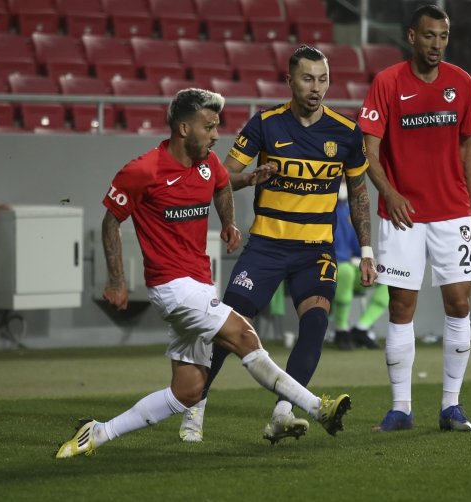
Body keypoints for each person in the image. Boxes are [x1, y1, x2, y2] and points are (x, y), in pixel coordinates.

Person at [55, 88, 351, 459]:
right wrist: (116, 279)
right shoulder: (143, 170)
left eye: (216, 127)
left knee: (188, 391)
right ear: (183, 128)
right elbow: (111, 222)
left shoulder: (207, 163)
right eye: (208, 127)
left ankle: (97, 434)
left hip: (198, 281)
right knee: (245, 337)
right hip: (173, 288)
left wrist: (229, 220)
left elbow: (223, 183)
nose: (215, 135)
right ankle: (315, 408)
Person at [177, 46, 376, 444]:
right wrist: (251, 177)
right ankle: (194, 407)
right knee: (226, 330)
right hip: (266, 247)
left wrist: (367, 251)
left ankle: (283, 414)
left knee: (316, 324)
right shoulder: (265, 124)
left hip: (315, 251)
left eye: (322, 79)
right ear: (289, 81)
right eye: (307, 79)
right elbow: (221, 176)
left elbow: (359, 195)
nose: (316, 88)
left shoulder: (347, 133)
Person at [357, 4, 471, 433]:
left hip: (451, 212)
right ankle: (401, 408)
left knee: (459, 303)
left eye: (443, 37)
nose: (437, 44)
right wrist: (390, 192)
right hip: (402, 215)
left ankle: (451, 406)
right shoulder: (387, 83)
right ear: (411, 36)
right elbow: (368, 152)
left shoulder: (460, 82)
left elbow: (466, 146)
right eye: (429, 36)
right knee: (401, 306)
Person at [332, 181, 386, 351]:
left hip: (348, 265)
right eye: (339, 181)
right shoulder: (320, 208)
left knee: (390, 277)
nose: (342, 185)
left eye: (344, 181)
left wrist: (363, 258)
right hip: (325, 269)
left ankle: (362, 328)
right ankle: (341, 330)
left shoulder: (350, 211)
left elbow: (358, 248)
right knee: (346, 272)